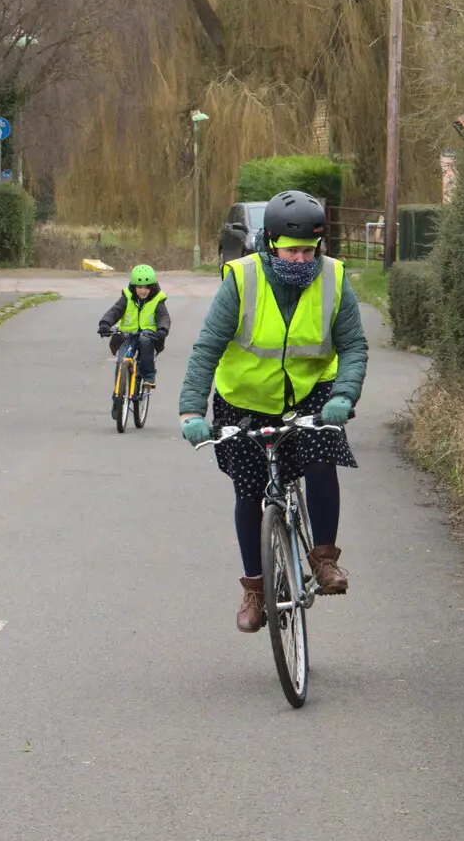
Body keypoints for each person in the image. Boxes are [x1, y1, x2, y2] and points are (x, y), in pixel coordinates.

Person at [176, 190, 369, 632]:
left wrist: (344, 394)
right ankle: (255, 588)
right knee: (249, 492)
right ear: (270, 245)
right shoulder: (241, 280)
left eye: (309, 250)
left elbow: (354, 345)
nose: (302, 260)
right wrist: (191, 411)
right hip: (244, 398)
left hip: (312, 392)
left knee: (322, 459)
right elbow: (207, 348)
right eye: (292, 250)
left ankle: (323, 559)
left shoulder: (334, 278)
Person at [97, 264, 170, 386]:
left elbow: (164, 317)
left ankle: (148, 376)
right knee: (121, 361)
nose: (143, 291)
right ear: (134, 286)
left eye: (147, 287)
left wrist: (162, 330)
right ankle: (118, 396)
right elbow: (115, 311)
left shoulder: (157, 300)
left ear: (152, 287)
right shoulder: (127, 298)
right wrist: (105, 323)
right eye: (139, 287)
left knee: (145, 342)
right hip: (127, 334)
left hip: (147, 334)